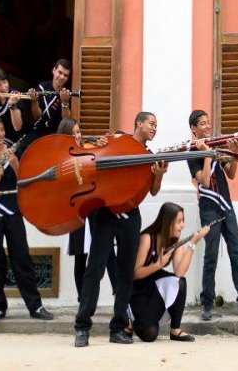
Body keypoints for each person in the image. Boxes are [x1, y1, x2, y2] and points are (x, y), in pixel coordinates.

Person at [74, 112, 168, 347]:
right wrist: (99, 142)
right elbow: (90, 151)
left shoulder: (149, 156)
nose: (155, 128)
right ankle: (82, 326)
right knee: (94, 270)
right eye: (151, 124)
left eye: (156, 126)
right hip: (105, 212)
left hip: (130, 214)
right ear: (138, 123)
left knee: (125, 273)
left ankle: (117, 328)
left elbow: (153, 191)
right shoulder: (117, 138)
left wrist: (159, 175)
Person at [0, 115, 54, 326]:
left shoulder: (13, 152)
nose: (0, 134)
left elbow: (25, 181)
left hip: (13, 208)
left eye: (2, 130)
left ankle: (35, 306)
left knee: (22, 258)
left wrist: (15, 163)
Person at [187, 110, 238, 320]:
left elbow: (231, 173)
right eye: (202, 123)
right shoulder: (191, 152)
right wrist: (207, 155)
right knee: (210, 255)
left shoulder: (216, 145)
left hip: (226, 205)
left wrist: (234, 154)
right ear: (194, 128)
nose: (207, 126)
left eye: (208, 122)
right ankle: (207, 303)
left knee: (236, 252)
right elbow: (203, 181)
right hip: (209, 207)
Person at [128, 202, 210, 342]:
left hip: (154, 286)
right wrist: (158, 265)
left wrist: (192, 244)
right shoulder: (147, 238)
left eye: (182, 221)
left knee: (180, 282)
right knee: (150, 335)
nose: (182, 225)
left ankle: (175, 330)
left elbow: (179, 273)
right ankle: (129, 321)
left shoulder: (175, 241)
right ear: (168, 222)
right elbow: (135, 274)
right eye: (179, 221)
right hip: (138, 289)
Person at [56, 118, 117, 302]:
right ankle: (83, 299)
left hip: (96, 206)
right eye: (74, 133)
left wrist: (101, 146)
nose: (79, 135)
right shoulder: (61, 156)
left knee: (108, 253)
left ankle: (119, 294)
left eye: (79, 131)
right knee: (80, 256)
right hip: (78, 209)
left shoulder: (89, 148)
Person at [28, 59, 73, 139]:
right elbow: (37, 116)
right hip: (39, 132)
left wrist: (65, 102)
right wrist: (34, 101)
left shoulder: (68, 93)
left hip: (57, 135)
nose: (62, 77)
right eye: (60, 72)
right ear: (54, 70)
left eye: (65, 75)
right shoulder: (42, 87)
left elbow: (66, 121)